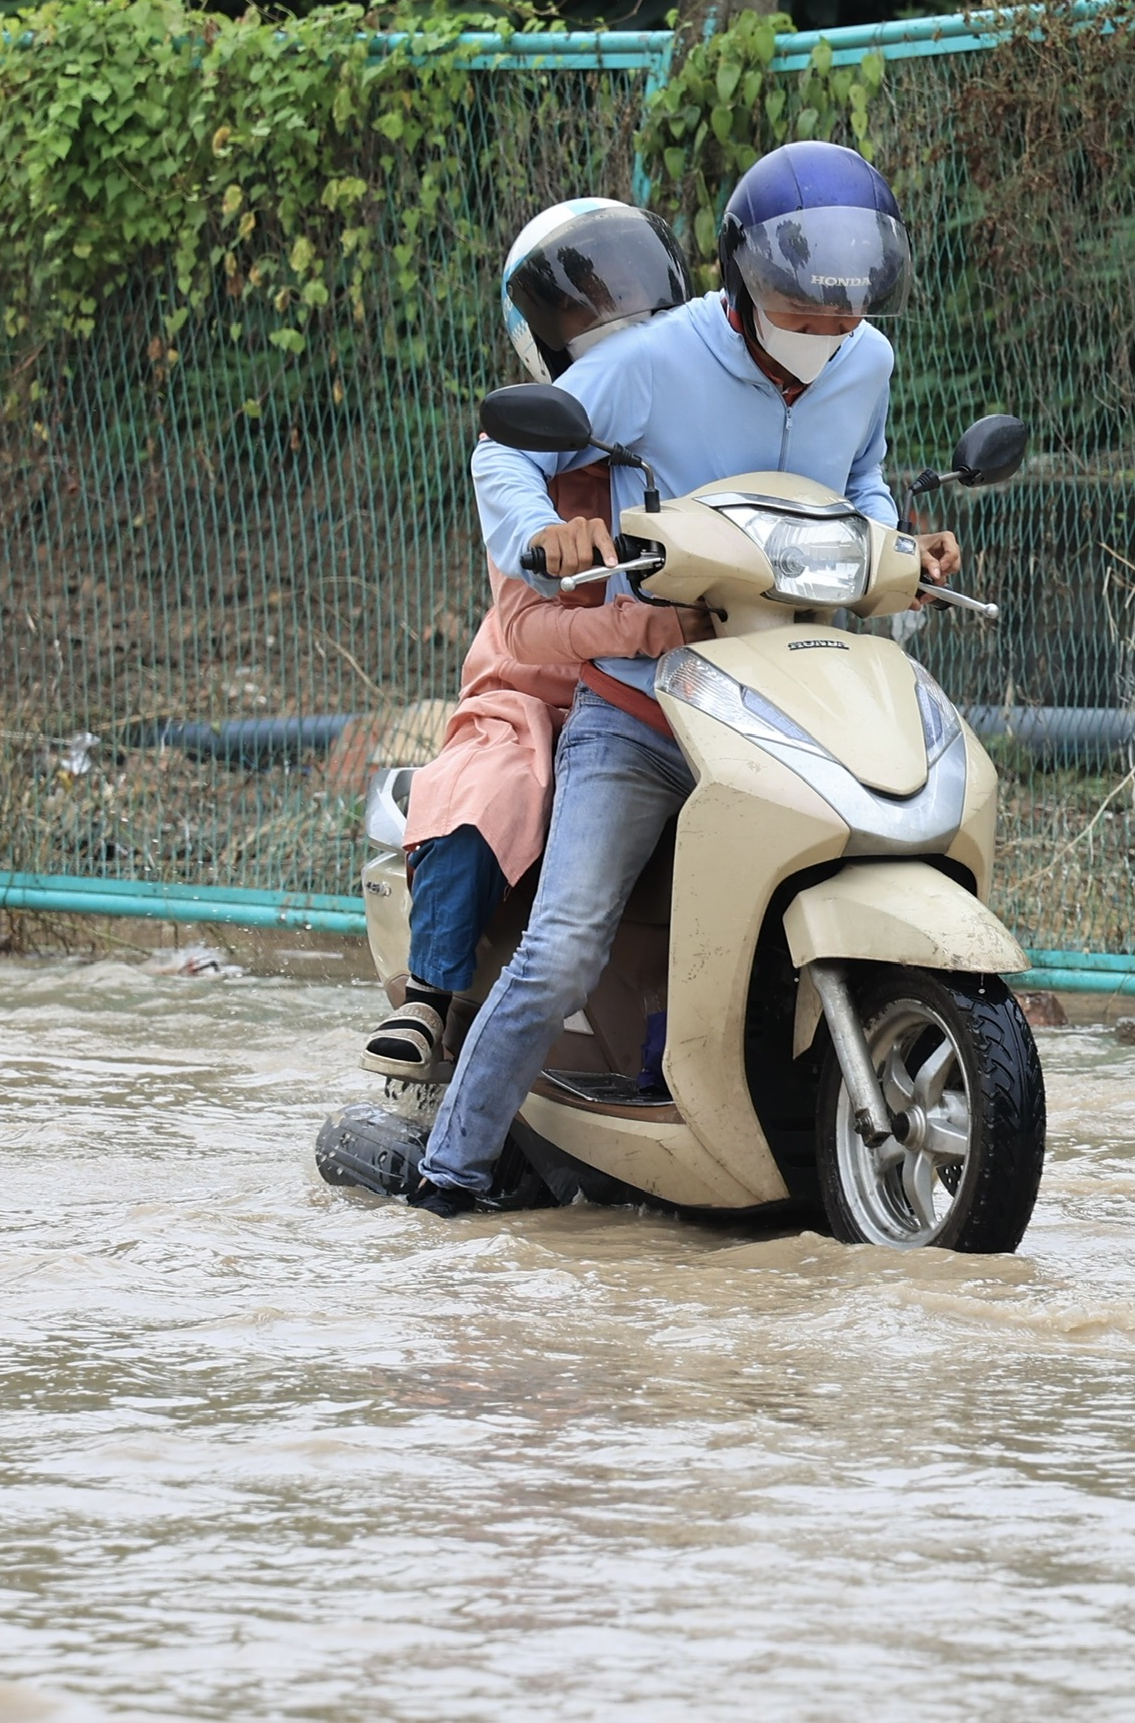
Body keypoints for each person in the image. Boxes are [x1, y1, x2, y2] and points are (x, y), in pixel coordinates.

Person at [407, 145, 961, 1216]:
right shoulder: (659, 359)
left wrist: (901, 549)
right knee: (564, 948)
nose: (831, 329)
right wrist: (542, 537)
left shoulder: (867, 362)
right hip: (640, 704)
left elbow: (863, 481)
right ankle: (450, 1170)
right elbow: (503, 449)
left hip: (793, 681)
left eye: (851, 311)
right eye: (805, 305)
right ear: (743, 284)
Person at [362, 207, 701, 1084]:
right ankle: (430, 1001)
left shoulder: (689, 427)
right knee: (501, 786)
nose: (617, 311)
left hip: (685, 683)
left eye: (627, 282)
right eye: (586, 302)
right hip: (535, 697)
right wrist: (647, 624)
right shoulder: (528, 450)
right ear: (540, 336)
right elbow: (525, 627)